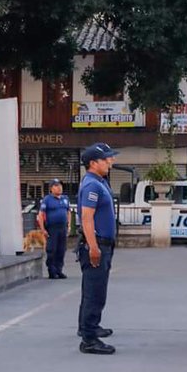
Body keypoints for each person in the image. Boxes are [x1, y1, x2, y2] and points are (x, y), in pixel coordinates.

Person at [76, 142, 119, 355]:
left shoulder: (98, 182)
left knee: (92, 291)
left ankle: (88, 328)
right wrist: (93, 247)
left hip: (102, 244)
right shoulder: (92, 185)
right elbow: (87, 218)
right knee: (95, 293)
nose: (110, 162)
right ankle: (89, 339)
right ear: (93, 163)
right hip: (97, 245)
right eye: (106, 159)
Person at [37, 179, 71, 279]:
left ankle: (59, 270)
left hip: (62, 227)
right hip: (52, 228)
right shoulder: (47, 199)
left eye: (60, 185)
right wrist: (43, 229)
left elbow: (68, 212)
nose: (59, 187)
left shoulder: (65, 198)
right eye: (56, 186)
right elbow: (41, 215)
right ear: (51, 188)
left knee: (61, 250)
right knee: (52, 250)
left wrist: (68, 225)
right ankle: (52, 271)